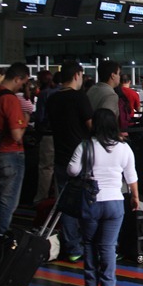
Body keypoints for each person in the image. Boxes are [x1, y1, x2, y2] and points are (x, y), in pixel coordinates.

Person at [67, 108, 139, 286]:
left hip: (91, 202)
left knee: (89, 243)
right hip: (115, 202)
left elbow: (72, 170)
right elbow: (131, 176)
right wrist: (135, 197)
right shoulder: (124, 147)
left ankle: (91, 285)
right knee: (108, 246)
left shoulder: (86, 146)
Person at [0, 62, 30, 258]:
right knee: (7, 202)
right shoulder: (10, 99)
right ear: (17, 78)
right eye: (23, 82)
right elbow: (17, 134)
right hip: (10, 154)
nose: (22, 87)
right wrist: (25, 119)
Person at [47, 61, 93, 262]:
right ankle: (89, 244)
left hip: (60, 156)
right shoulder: (79, 98)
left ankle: (72, 247)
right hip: (81, 157)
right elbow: (91, 125)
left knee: (66, 203)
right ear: (77, 75)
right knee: (87, 201)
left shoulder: (52, 98)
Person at [32, 70, 59, 204]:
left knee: (46, 168)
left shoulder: (45, 94)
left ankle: (41, 200)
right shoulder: (62, 92)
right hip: (63, 134)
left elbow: (40, 117)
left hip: (48, 134)